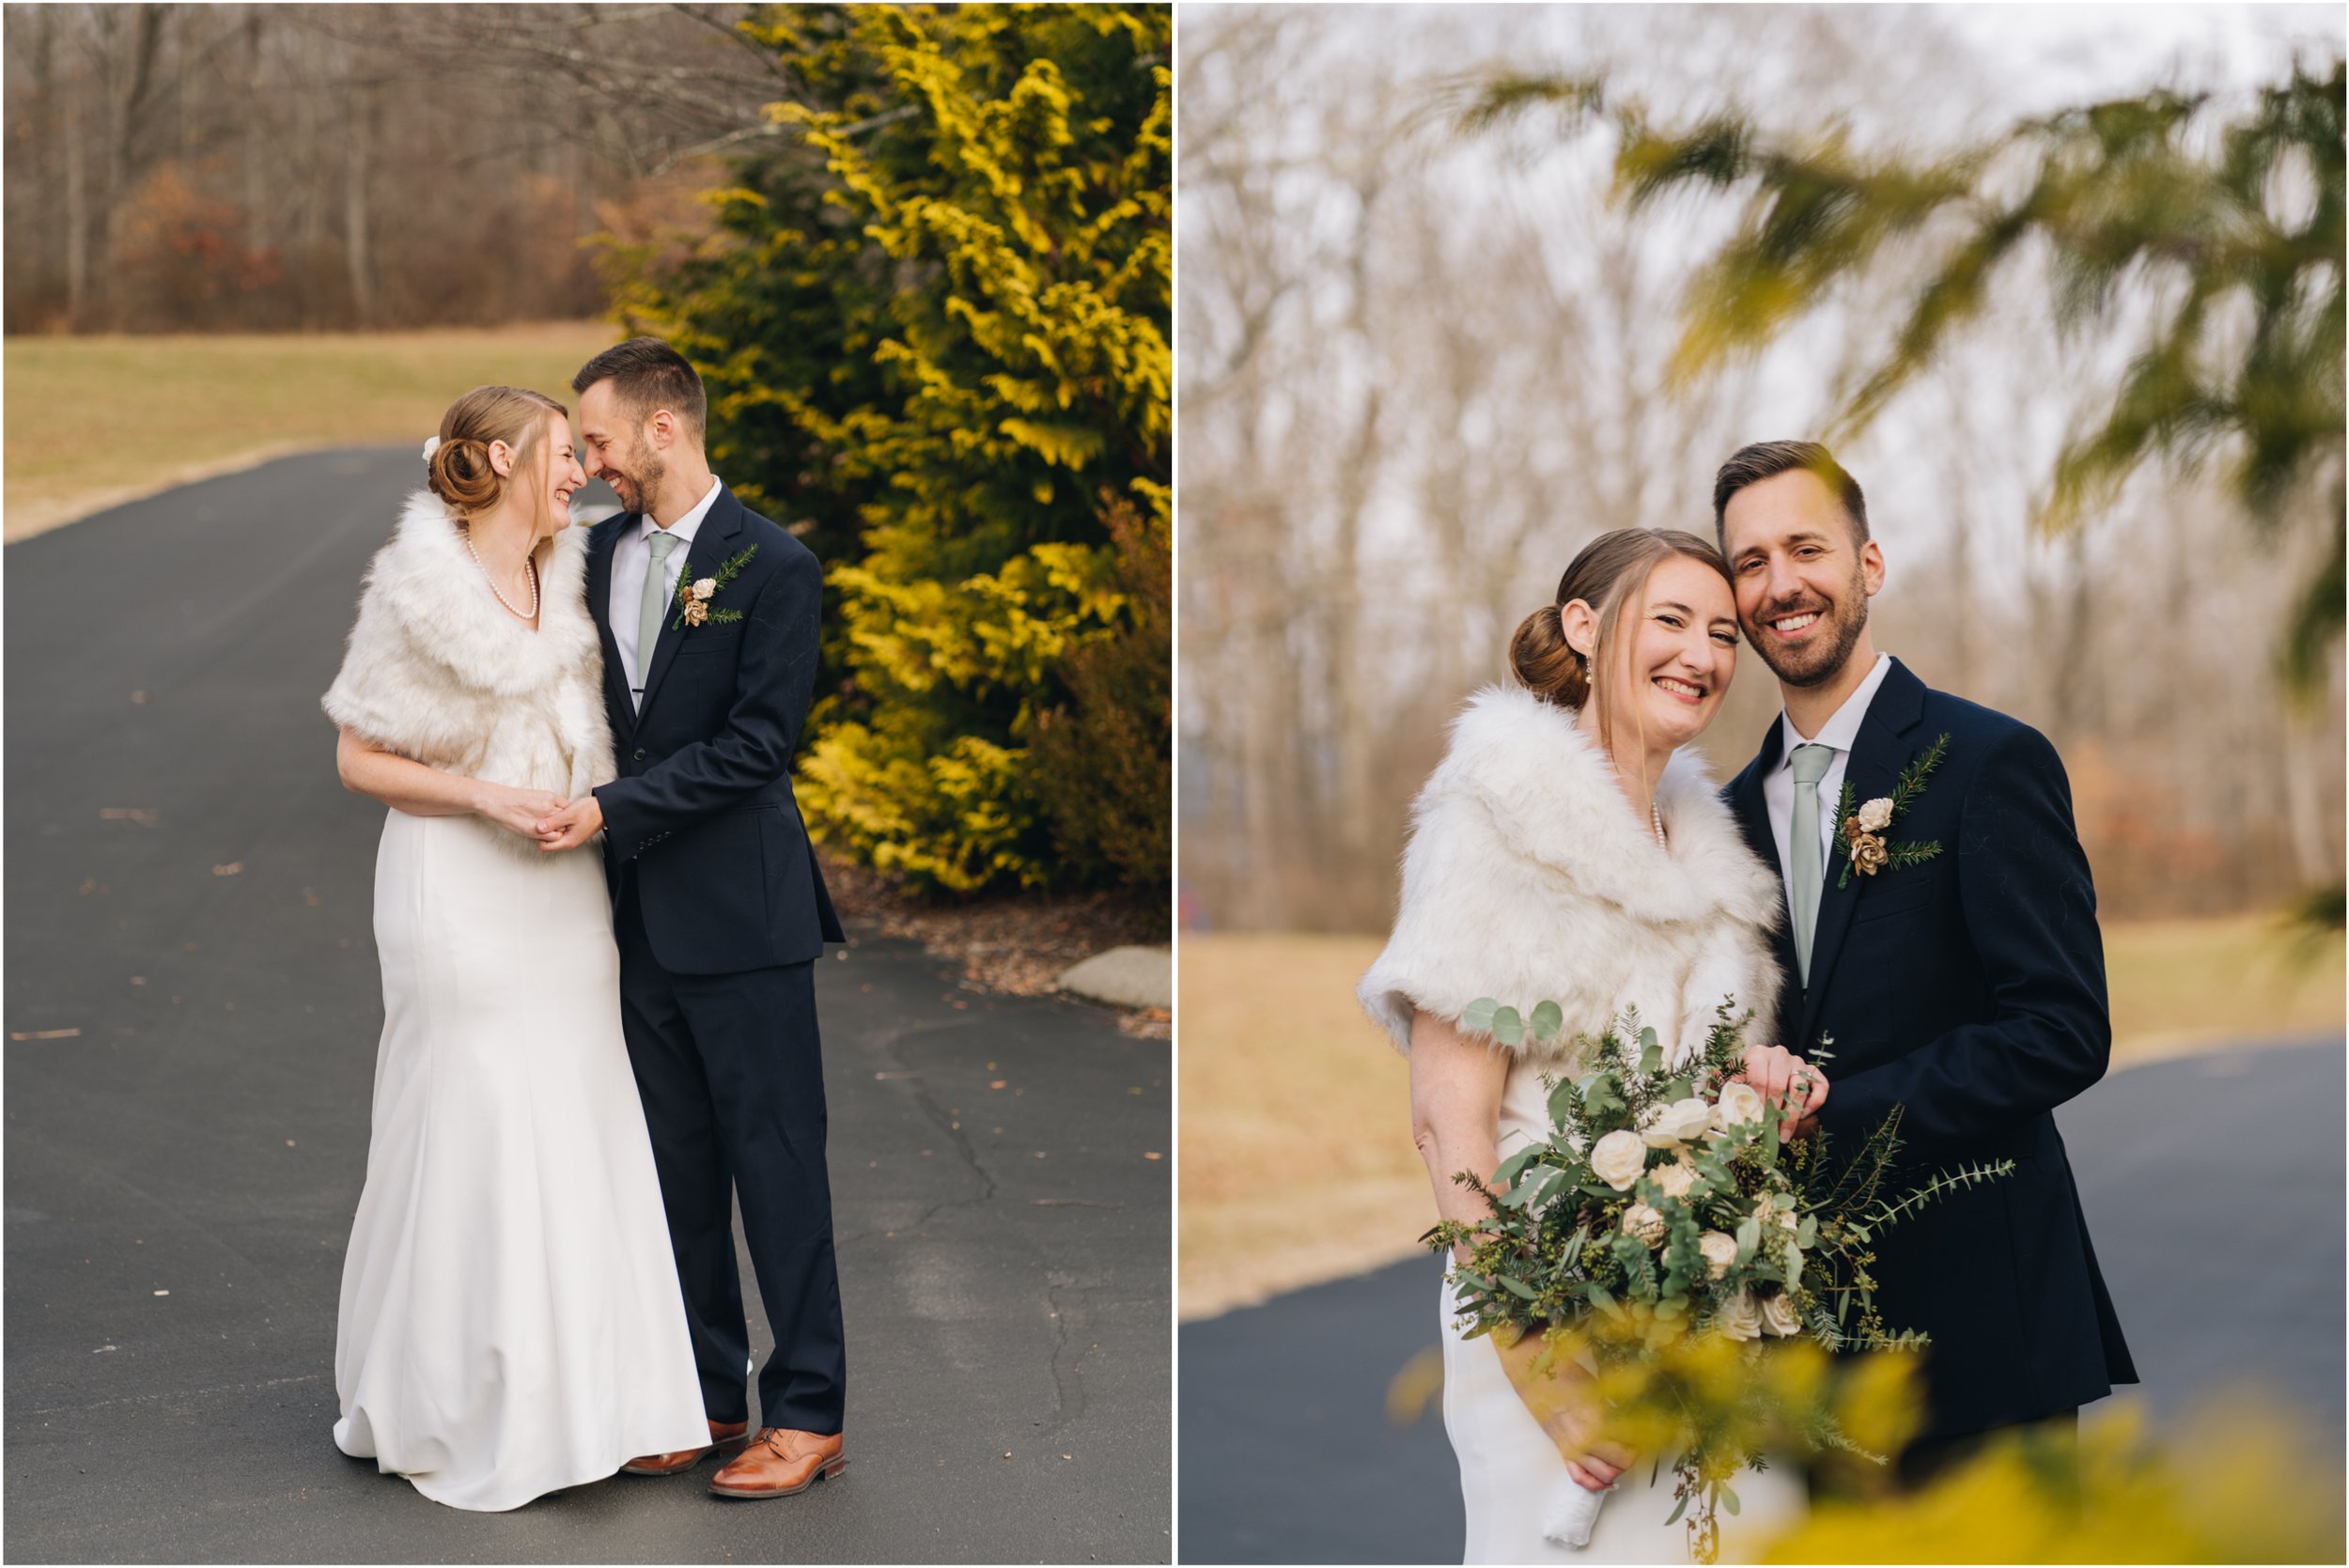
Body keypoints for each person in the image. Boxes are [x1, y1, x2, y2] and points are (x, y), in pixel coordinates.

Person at [1360, 528, 1824, 1562]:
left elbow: (1697, 1089)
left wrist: (1764, 1085)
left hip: (1714, 1319)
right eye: (1669, 621)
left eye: (1720, 634)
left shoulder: (1711, 854)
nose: (1701, 656)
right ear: (1583, 625)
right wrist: (1544, 1375)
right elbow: (1449, 1123)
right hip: (1551, 1310)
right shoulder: (1498, 821)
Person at [1713, 439, 2137, 1489]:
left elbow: (2060, 1030)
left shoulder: (1987, 762)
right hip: (1797, 1355)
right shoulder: (1716, 821)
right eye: (1750, 560)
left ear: (1867, 564)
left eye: (1804, 547)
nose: (1779, 584)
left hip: (1982, 1336)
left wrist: (1835, 1105)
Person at [323, 386, 709, 1511]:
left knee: (579, 1111)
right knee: (477, 1113)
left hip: (562, 887)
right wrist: (486, 796)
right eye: (559, 453)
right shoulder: (419, 585)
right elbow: (359, 757)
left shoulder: (573, 572)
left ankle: (595, 1398)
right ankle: (459, 1396)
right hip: (458, 885)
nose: (579, 472)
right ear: (499, 456)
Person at [533, 338, 850, 1500]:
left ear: (663, 429)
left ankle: (807, 1409)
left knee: (775, 1167)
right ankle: (704, 1394)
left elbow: (758, 748)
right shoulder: (595, 556)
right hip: (633, 924)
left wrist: (605, 809)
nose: (594, 462)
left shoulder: (774, 564)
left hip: (745, 918)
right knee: (674, 1172)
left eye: (602, 440)